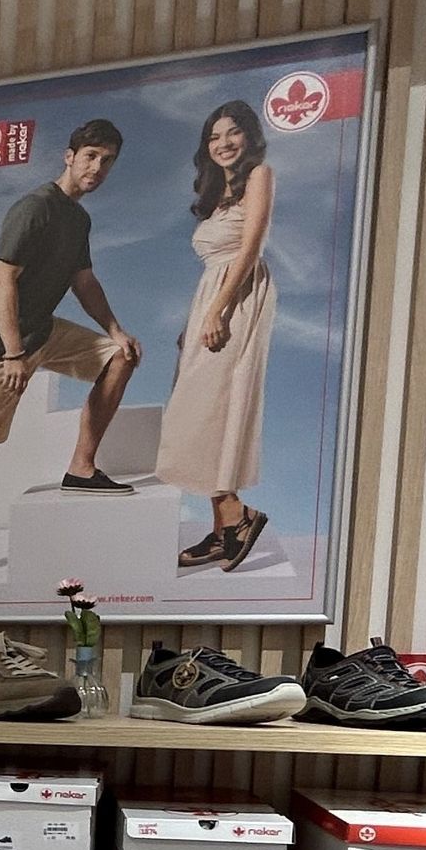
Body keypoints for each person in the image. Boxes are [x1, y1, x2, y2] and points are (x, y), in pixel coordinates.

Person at [0, 118, 145, 597]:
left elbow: (84, 281)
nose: (98, 167)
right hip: (0, 347)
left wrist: (115, 330)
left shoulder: (79, 220)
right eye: (91, 156)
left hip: (44, 331)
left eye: (107, 161)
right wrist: (13, 352)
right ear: (69, 157)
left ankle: (81, 469)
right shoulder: (35, 208)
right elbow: (2, 279)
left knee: (120, 356)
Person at [157, 99, 278, 573]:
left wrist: (220, 309)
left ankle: (237, 514)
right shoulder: (217, 195)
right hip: (212, 298)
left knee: (217, 403)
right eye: (214, 136)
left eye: (232, 132)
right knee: (199, 408)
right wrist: (195, 320)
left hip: (239, 297)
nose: (223, 143)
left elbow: (251, 246)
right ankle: (225, 526)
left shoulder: (259, 176)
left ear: (249, 136)